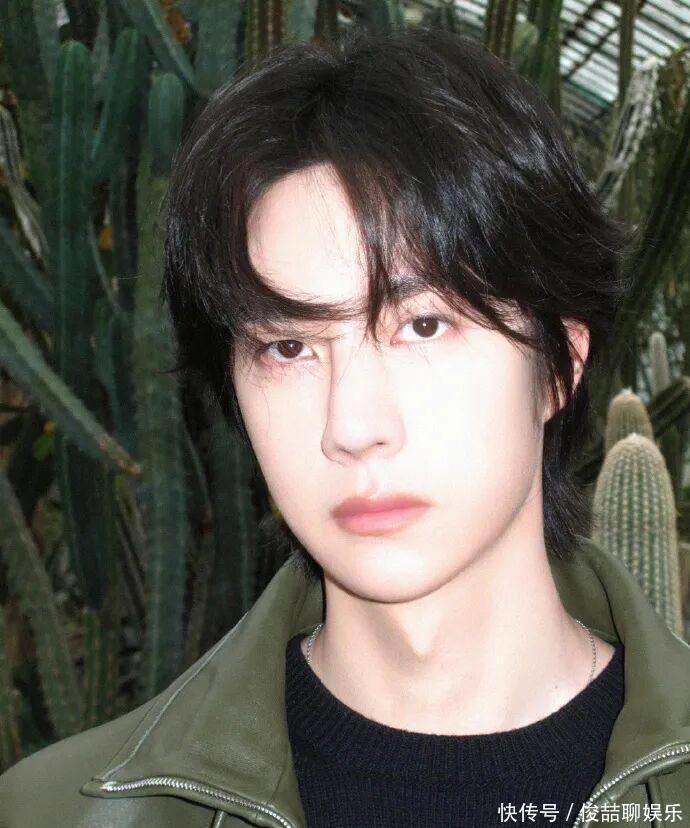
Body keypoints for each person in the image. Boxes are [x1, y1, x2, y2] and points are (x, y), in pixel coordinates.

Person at [2, 25, 690, 828]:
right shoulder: (50, 812)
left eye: (423, 325)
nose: (353, 427)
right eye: (289, 348)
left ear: (560, 366)